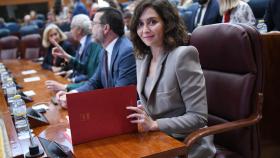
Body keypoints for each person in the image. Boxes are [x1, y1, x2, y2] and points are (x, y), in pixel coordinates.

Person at [126, 0, 216, 157]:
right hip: (156, 140)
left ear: (167, 24)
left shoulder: (183, 55)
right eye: (140, 24)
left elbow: (198, 117)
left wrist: (154, 124)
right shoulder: (142, 58)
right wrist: (141, 109)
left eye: (152, 22)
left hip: (186, 143)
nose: (145, 29)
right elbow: (152, 100)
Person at [55, 7, 136, 108]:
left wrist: (79, 101)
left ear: (106, 28)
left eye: (93, 24)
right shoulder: (104, 51)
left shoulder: (126, 52)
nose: (90, 28)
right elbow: (94, 82)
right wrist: (73, 94)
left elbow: (119, 95)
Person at [45, 14, 102, 91]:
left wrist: (67, 86)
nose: (70, 31)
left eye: (71, 28)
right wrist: (66, 56)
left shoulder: (92, 44)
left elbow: (91, 76)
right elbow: (85, 68)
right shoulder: (83, 43)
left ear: (79, 30)